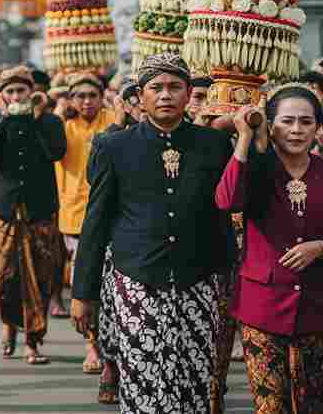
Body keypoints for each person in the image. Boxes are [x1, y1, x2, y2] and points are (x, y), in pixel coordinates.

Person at [71, 53, 232, 413]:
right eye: (156, 88)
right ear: (140, 97)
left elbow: (227, 212)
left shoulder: (213, 144)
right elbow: (95, 222)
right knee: (145, 385)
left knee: (194, 384)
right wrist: (83, 293)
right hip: (136, 282)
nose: (165, 95)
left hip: (198, 281)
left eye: (175, 87)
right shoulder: (113, 147)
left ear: (189, 93)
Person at [217, 87, 323, 411]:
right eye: (287, 121)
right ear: (271, 125)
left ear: (318, 127)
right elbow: (227, 200)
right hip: (262, 307)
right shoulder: (255, 170)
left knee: (319, 405)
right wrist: (243, 139)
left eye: (306, 122)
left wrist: (321, 247)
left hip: (319, 307)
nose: (296, 130)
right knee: (270, 406)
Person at [0, 66, 67, 365]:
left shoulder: (49, 122)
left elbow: (55, 153)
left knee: (40, 277)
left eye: (21, 91)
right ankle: (8, 325)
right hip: (3, 210)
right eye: (10, 92)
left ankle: (32, 341)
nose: (16, 96)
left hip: (39, 210)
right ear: (2, 95)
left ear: (32, 92)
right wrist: (3, 118)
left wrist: (36, 119)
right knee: (2, 275)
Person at [53, 72, 115, 375]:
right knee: (87, 282)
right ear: (71, 99)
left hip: (114, 215)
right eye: (80, 96)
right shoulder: (64, 125)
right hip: (76, 217)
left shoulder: (113, 119)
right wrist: (55, 110)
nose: (87, 101)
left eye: (92, 95)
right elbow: (50, 147)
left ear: (102, 96)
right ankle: (92, 345)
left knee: (111, 286)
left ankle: (111, 347)